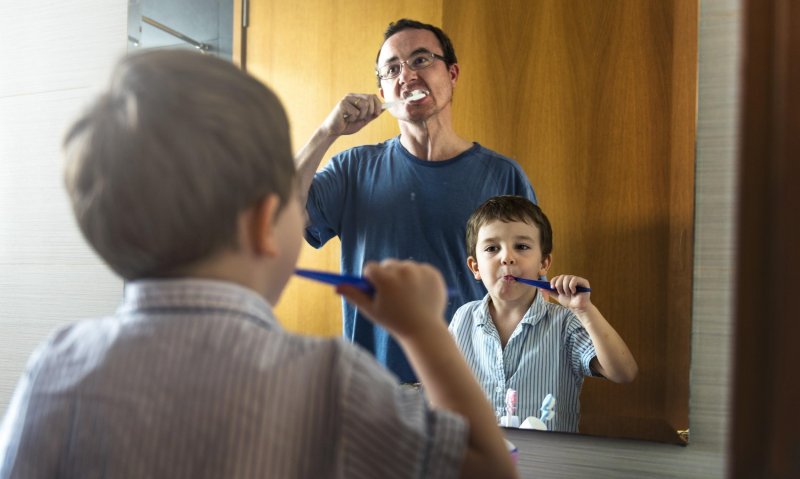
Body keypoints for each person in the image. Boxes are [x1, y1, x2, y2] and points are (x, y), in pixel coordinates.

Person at [0, 50, 517, 479]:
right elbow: (491, 470)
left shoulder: (57, 365)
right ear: (265, 222)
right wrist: (424, 331)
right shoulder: (328, 382)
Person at [296, 19, 537, 383]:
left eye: (421, 60)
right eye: (392, 69)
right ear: (382, 88)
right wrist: (326, 132)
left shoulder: (503, 176)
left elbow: (529, 292)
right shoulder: (351, 170)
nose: (405, 76)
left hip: (477, 392)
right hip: (375, 394)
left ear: (452, 73)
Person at [448, 196, 638, 433]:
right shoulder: (463, 318)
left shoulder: (565, 323)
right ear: (475, 267)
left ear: (544, 264)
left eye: (522, 246)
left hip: (549, 467)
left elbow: (624, 373)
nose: (507, 257)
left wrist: (584, 311)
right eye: (492, 248)